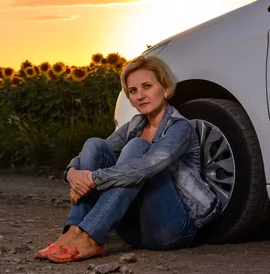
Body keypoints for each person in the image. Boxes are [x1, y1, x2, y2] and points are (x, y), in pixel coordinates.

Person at [35, 55, 220, 263]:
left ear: (166, 89)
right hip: (133, 230)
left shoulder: (180, 128)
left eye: (147, 86)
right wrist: (72, 173)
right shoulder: (135, 125)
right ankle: (74, 230)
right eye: (133, 91)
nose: (140, 95)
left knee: (137, 147)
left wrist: (93, 179)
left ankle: (89, 238)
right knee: (94, 144)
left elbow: (148, 165)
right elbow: (92, 153)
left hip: (172, 230)